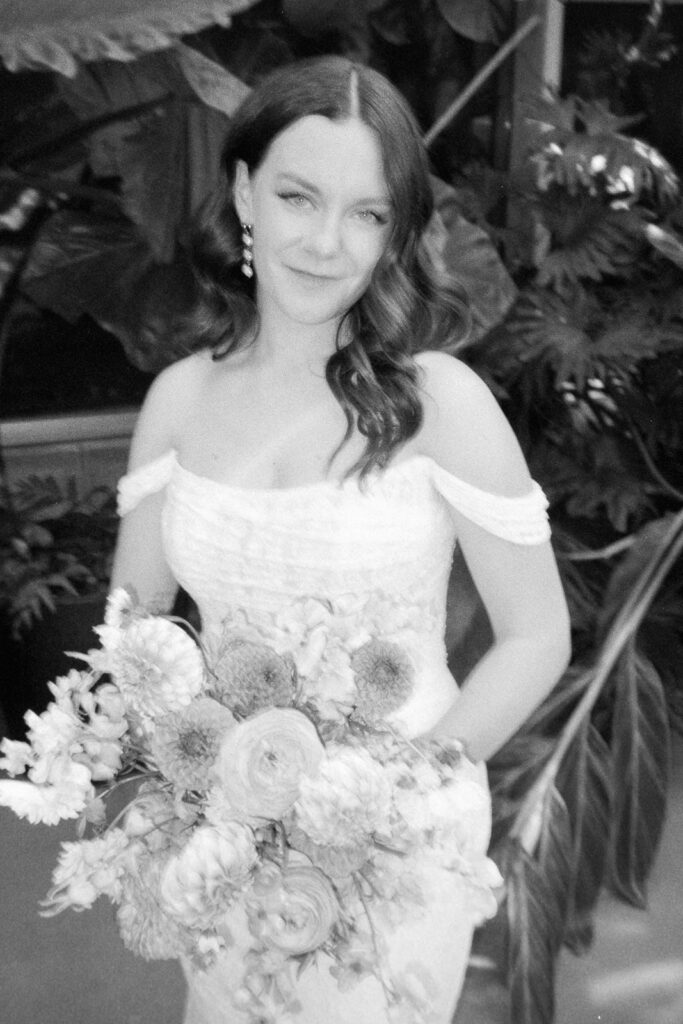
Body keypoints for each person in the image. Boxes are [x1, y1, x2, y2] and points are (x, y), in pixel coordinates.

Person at [112, 55, 571, 1024]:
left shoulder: (439, 402)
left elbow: (536, 635)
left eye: (364, 212)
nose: (325, 241)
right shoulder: (178, 401)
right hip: (227, 833)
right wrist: (197, 791)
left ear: (396, 232)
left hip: (399, 838)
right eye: (296, 196)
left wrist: (378, 797)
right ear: (242, 193)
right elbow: (136, 631)